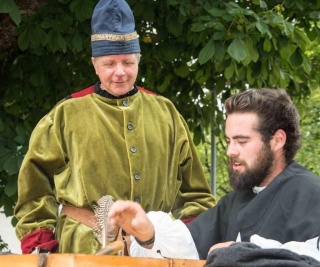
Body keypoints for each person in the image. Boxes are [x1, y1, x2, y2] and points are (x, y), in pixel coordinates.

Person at [14, 0, 215, 254]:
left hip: (156, 253)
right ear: (94, 64)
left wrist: (192, 242)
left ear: (138, 60)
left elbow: (196, 194)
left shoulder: (166, 114)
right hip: (84, 252)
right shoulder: (65, 115)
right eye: (109, 63)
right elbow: (34, 190)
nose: (120, 72)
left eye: (128, 62)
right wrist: (40, 246)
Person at [107, 88, 320, 261]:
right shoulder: (236, 200)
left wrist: (242, 253)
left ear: (277, 140)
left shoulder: (311, 193)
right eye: (229, 141)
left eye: (242, 141)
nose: (230, 151)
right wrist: (149, 233)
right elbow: (191, 245)